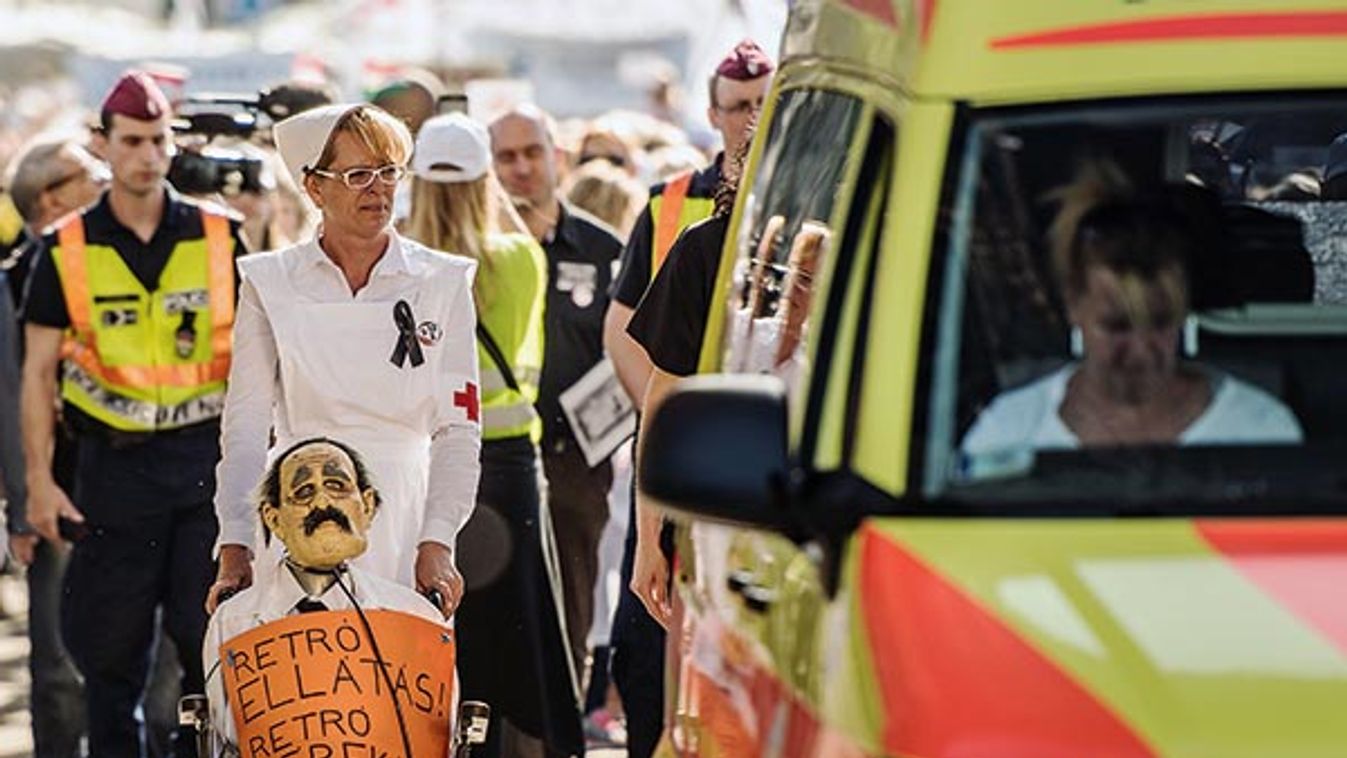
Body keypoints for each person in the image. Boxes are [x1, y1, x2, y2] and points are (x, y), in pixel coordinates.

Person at [19, 71, 246, 758]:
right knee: (108, 659)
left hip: (200, 470)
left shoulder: (220, 236)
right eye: (133, 141)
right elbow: (36, 372)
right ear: (105, 145)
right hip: (109, 474)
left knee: (202, 648)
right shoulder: (64, 249)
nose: (147, 155)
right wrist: (38, 480)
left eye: (158, 140)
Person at [210, 103, 480, 615]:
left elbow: (459, 428)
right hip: (298, 510)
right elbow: (244, 427)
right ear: (313, 187)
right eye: (358, 175)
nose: (378, 189)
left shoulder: (442, 281)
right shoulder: (269, 282)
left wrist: (439, 538)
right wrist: (235, 543)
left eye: (388, 172)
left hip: (405, 515)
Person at [601, 39, 773, 758]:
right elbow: (655, 382)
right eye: (739, 110)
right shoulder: (691, 236)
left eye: (766, 108)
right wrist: (650, 533)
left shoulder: (840, 247)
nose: (751, 122)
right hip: (706, 498)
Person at [406, 111, 582, 758]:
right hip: (506, 466)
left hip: (425, 467)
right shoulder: (520, 256)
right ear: (486, 179)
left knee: (439, 624)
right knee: (525, 627)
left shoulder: (404, 264)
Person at [962, 172, 1303, 454]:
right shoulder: (1008, 433)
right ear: (1073, 306)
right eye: (1117, 326)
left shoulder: (1259, 429)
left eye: (1159, 323)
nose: (1141, 350)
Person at [489, 104, 626, 686]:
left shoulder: (603, 249)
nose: (521, 168)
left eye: (532, 152)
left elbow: (629, 351)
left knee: (571, 601)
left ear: (558, 157)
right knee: (494, 613)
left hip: (575, 462)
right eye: (506, 156)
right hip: (494, 459)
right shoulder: (477, 251)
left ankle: (563, 731)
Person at [204, 437, 446, 755]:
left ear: (368, 505)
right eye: (303, 492)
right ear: (273, 518)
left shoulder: (417, 619)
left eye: (337, 486)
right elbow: (226, 740)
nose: (322, 504)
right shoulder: (234, 622)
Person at [3, 134, 107, 758]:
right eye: (87, 172)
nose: (103, 178)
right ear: (51, 197)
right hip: (55, 501)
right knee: (60, 672)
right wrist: (25, 504)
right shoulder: (13, 282)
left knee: (152, 669)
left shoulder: (105, 257)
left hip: (125, 488)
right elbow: (11, 396)